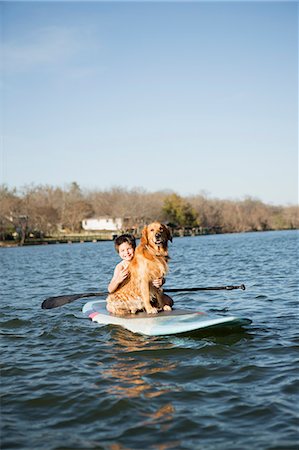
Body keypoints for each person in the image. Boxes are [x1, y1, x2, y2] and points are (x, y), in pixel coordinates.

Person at [108, 234, 173, 310]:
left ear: (135, 248)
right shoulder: (121, 267)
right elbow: (110, 289)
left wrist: (161, 281)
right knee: (113, 306)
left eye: (129, 249)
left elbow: (156, 275)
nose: (126, 252)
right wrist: (118, 280)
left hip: (148, 293)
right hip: (131, 295)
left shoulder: (143, 261)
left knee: (169, 301)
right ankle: (140, 307)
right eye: (122, 251)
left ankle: (151, 305)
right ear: (119, 253)